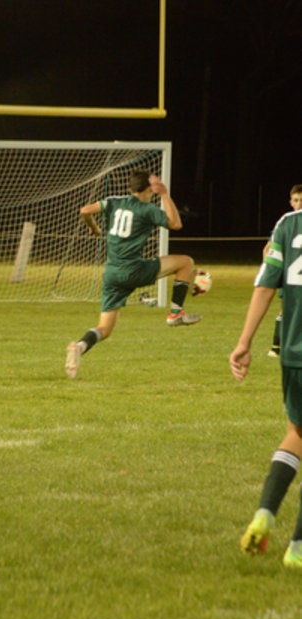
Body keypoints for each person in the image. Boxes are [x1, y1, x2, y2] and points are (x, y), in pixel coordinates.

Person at [65, 171, 201, 378]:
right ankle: (175, 314)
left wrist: (94, 228)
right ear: (150, 189)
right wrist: (164, 194)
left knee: (104, 328)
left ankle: (80, 346)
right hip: (134, 270)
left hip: (112, 274)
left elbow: (85, 210)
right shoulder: (147, 209)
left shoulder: (114, 201)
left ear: (130, 187)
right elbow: (176, 224)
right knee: (185, 262)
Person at [229, 204, 302, 569]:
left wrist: (244, 342)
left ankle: (265, 513)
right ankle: (298, 548)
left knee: (296, 433)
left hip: (293, 352)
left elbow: (265, 286)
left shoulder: (288, 223)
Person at [264, 184, 302, 358]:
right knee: (287, 311)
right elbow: (268, 250)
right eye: (296, 200)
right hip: (293, 277)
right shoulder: (286, 223)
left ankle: (277, 348)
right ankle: (276, 347)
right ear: (290, 202)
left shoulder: (287, 222)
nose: (299, 204)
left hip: (292, 276)